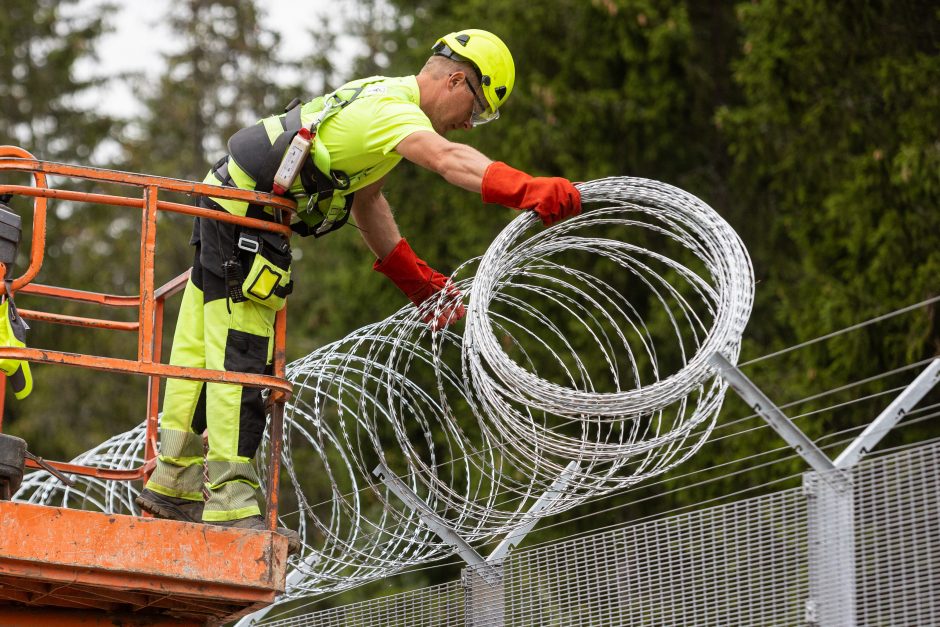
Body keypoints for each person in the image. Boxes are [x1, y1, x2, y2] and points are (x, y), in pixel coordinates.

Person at [135, 29, 581, 552]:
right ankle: (230, 505)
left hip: (225, 203)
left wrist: (414, 279)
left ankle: (174, 483)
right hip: (245, 219)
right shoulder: (394, 113)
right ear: (457, 79)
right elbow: (449, 160)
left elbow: (366, 202)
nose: (469, 124)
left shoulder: (381, 95)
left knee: (197, 345)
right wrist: (528, 190)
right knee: (242, 354)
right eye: (476, 109)